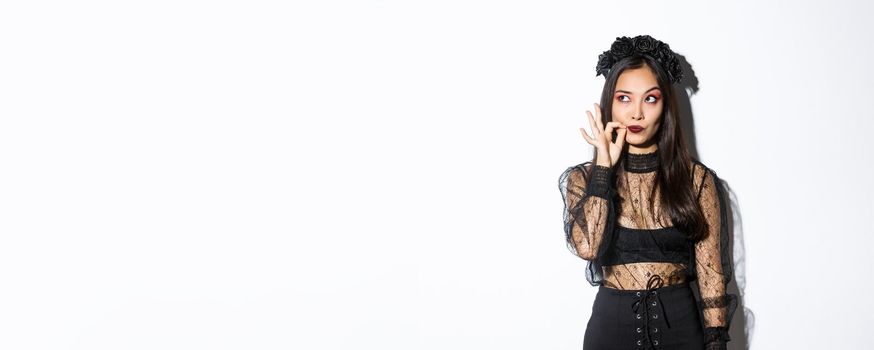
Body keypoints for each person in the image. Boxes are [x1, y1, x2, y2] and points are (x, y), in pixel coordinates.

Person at [558, 35, 738, 350]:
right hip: (610, 332)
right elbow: (587, 247)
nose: (636, 114)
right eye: (624, 98)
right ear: (609, 102)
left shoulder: (696, 181)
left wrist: (715, 341)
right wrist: (604, 168)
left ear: (665, 104)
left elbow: (712, 276)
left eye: (650, 99)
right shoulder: (583, 179)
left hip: (682, 331)